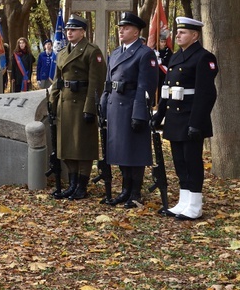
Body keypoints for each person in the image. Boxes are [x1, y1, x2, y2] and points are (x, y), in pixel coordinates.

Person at [152, 17, 218, 220]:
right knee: (180, 162)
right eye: (178, 32)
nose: (177, 35)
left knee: (192, 161)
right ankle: (184, 201)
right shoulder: (175, 57)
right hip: (175, 118)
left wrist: (196, 123)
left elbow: (207, 94)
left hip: (191, 118)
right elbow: (167, 91)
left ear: (195, 35)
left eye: (183, 32)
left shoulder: (204, 57)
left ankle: (195, 204)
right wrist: (159, 115)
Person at [100, 12, 158, 208]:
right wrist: (103, 105)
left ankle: (135, 192)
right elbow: (108, 83)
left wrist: (140, 113)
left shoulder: (144, 53)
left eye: (126, 28)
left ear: (136, 32)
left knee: (134, 150)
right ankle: (125, 190)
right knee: (120, 150)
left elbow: (146, 86)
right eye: (120, 28)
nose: (121, 31)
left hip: (132, 107)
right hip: (115, 107)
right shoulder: (115, 53)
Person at [49, 14, 106, 200]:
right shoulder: (62, 53)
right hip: (64, 104)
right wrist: (52, 103)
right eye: (68, 30)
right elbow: (58, 81)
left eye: (73, 29)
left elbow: (96, 83)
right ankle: (72, 184)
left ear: (83, 32)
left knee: (82, 146)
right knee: (65, 146)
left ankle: (82, 185)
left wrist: (90, 108)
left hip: (81, 103)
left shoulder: (91, 51)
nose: (69, 32)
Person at [156, 31, 173, 101]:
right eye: (161, 42)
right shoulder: (155, 50)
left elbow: (169, 60)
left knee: (162, 88)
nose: (163, 43)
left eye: (164, 42)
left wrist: (162, 61)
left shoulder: (168, 51)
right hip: (156, 73)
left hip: (164, 73)